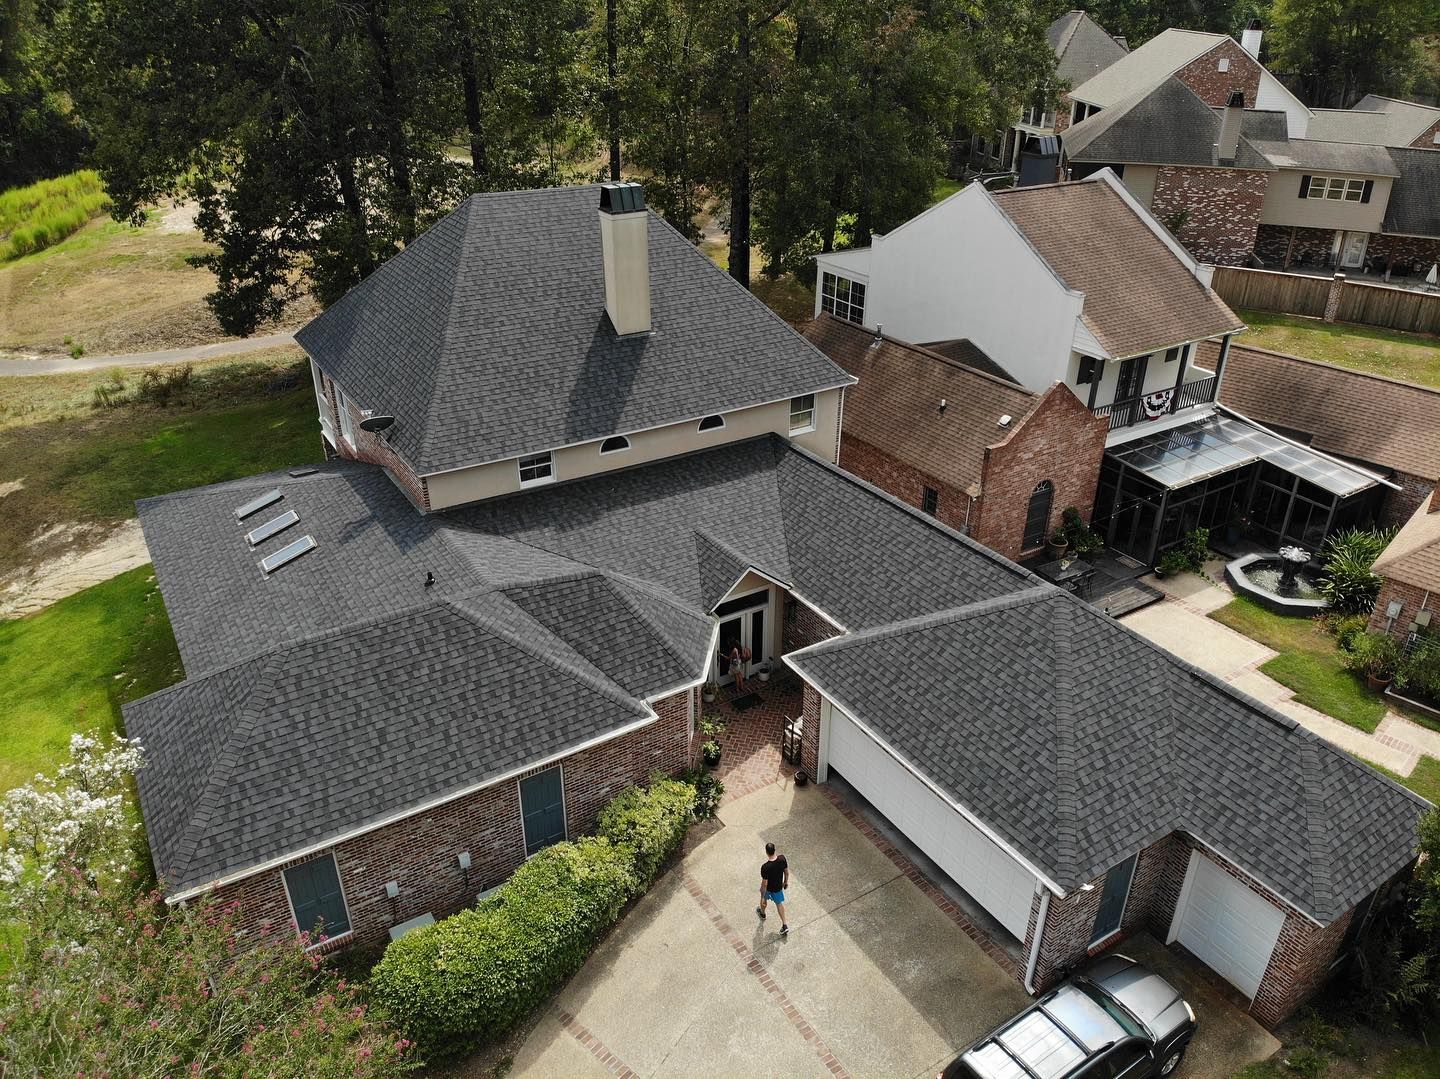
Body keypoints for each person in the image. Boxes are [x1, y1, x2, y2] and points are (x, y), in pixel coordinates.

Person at [755, 841, 789, 935]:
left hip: (769, 889)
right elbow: (786, 872)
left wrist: (762, 896)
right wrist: (785, 882)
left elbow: (765, 884)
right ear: (774, 850)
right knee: (779, 904)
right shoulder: (782, 859)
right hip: (778, 888)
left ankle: (762, 913)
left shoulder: (765, 867)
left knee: (764, 901)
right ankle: (784, 925)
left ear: (766, 852)